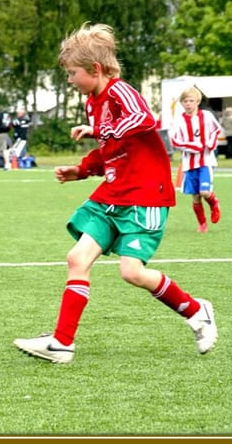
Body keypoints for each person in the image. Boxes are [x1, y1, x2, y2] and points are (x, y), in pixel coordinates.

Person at [13, 23, 217, 364]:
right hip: (112, 193)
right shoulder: (93, 102)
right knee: (77, 258)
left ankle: (197, 312)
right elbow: (112, 148)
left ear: (95, 70)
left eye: (72, 73)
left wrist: (99, 129)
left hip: (146, 194)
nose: (69, 80)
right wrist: (83, 169)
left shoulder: (120, 92)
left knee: (131, 272)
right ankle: (62, 343)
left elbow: (143, 119)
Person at [168, 86, 222, 233]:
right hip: (188, 163)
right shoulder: (178, 120)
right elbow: (175, 141)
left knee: (205, 192)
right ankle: (202, 224)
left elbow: (216, 130)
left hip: (206, 161)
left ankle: (214, 203)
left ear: (197, 101)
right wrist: (194, 146)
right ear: (182, 103)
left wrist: (210, 144)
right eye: (185, 101)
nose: (188, 103)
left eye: (191, 100)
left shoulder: (207, 116)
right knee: (196, 197)